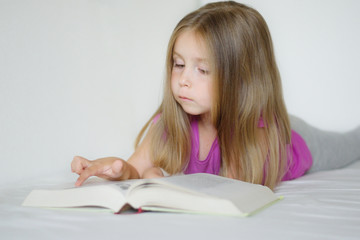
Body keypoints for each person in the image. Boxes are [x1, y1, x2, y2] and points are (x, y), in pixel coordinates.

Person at [71, 1, 360, 190]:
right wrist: (120, 169)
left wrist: (157, 183)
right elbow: (137, 166)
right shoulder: (172, 122)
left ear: (242, 79)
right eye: (179, 64)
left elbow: (226, 190)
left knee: (351, 145)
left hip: (292, 136)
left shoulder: (252, 134)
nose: (183, 80)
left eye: (203, 70)